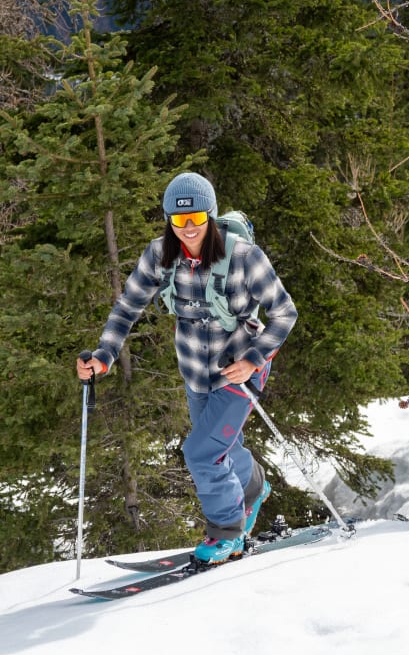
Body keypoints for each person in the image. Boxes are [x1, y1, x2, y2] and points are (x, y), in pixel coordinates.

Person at [77, 172, 298, 561]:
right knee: (221, 447)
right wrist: (104, 355)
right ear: (169, 220)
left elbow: (284, 313)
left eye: (197, 218)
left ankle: (226, 533)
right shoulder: (160, 254)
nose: (189, 228)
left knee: (200, 452)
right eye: (179, 221)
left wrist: (252, 360)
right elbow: (128, 307)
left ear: (210, 216)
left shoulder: (244, 257)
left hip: (239, 370)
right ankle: (253, 487)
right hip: (195, 371)